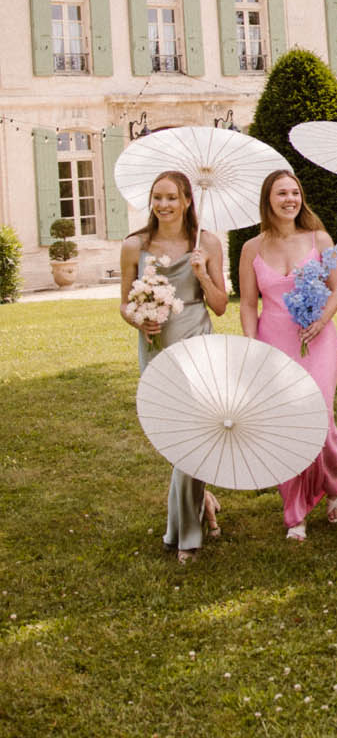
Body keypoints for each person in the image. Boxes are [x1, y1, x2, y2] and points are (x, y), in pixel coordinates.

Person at [120, 171, 229, 563]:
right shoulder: (135, 245)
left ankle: (186, 536)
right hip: (156, 347)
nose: (163, 205)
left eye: (170, 197)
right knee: (176, 438)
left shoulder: (209, 243)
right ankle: (205, 502)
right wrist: (138, 319)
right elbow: (123, 304)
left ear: (187, 201)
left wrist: (201, 273)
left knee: (194, 437)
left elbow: (220, 305)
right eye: (157, 197)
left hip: (196, 343)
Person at [238, 169, 337, 542]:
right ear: (268, 199)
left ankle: (334, 483)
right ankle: (296, 511)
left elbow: (336, 290)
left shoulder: (319, 238)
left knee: (322, 417)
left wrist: (321, 322)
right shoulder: (251, 248)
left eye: (295, 192)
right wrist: (253, 348)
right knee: (286, 424)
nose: (290, 199)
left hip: (318, 339)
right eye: (281, 193)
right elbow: (248, 304)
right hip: (275, 342)